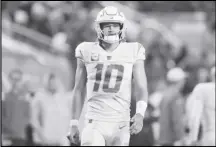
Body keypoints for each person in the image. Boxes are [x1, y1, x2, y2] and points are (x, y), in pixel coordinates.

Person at [67, 6, 148, 146]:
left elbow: (141, 87)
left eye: (115, 25)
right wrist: (74, 122)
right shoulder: (86, 50)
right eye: (107, 25)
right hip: (94, 122)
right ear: (99, 27)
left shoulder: (134, 50)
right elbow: (78, 89)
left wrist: (140, 114)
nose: (111, 29)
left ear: (121, 27)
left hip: (121, 124)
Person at [31, 73, 71, 146]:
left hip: (61, 140)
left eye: (54, 82)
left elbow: (67, 118)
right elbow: (34, 120)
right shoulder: (39, 97)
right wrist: (42, 137)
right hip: (45, 140)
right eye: (50, 82)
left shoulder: (63, 98)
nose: (53, 84)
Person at [185, 66, 215, 146]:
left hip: (210, 136)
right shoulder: (200, 90)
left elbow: (194, 116)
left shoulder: (201, 89)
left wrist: (193, 139)